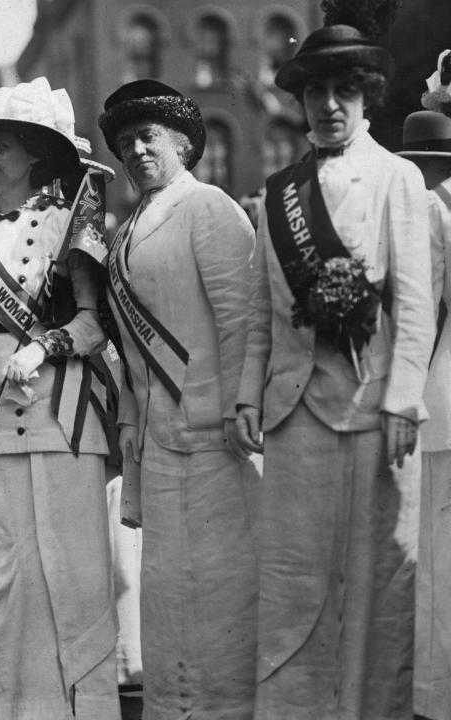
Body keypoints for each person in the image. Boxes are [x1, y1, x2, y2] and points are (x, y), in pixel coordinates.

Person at [234, 7, 433, 717]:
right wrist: (248, 399)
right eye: (314, 93)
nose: (326, 106)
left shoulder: (397, 179)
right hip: (293, 413)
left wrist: (404, 398)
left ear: (365, 97)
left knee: (375, 582)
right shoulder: (279, 192)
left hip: (373, 411)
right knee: (295, 585)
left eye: (342, 92)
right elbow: (260, 310)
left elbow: (415, 300)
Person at [0, 76, 119, 720]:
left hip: (61, 415)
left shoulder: (75, 222)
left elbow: (95, 323)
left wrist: (45, 346)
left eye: (3, 145)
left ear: (37, 153)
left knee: (70, 572)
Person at [97, 79, 260, 719]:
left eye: (150, 137)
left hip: (218, 433)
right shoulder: (127, 231)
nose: (137, 150)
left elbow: (242, 321)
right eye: (127, 140)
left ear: (184, 144)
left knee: (221, 582)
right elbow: (134, 356)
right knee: (169, 589)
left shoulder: (209, 207)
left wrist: (239, 408)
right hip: (160, 439)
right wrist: (133, 420)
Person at [397, 107, 451, 720]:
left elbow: (423, 308)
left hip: (441, 391)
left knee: (437, 555)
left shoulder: (430, 207)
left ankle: (435, 696)